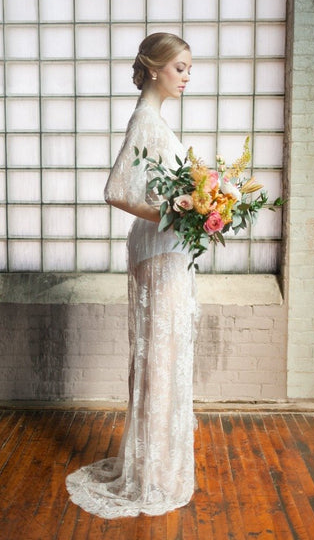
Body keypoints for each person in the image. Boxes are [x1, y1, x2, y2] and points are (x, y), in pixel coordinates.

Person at [66, 32, 196, 519]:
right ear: (156, 68)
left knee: (165, 357)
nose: (187, 76)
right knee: (158, 358)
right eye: (180, 67)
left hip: (166, 252)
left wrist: (195, 205)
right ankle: (148, 473)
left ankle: (155, 466)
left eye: (188, 68)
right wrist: (172, 213)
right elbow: (115, 190)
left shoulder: (156, 121)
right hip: (157, 254)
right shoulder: (145, 121)